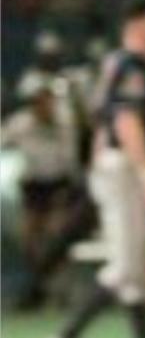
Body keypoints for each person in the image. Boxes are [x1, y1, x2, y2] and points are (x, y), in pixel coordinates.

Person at [54, 0, 145, 338]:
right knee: (126, 267)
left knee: (139, 273)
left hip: (127, 165)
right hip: (125, 166)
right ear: (137, 22)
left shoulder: (144, 62)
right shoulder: (131, 64)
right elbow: (126, 121)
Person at [2, 74, 81, 308]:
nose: (46, 104)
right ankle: (38, 286)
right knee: (29, 237)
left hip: (60, 185)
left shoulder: (66, 122)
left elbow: (71, 161)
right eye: (40, 99)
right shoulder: (20, 124)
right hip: (34, 188)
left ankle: (61, 290)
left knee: (58, 235)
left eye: (49, 98)